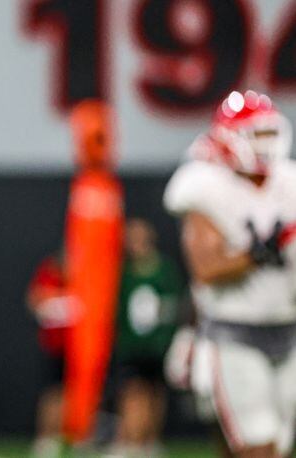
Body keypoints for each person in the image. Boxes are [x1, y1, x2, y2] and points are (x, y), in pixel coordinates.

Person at [164, 90, 296, 458]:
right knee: (257, 445)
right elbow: (206, 269)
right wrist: (258, 253)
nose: (266, 145)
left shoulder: (289, 182)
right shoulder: (203, 185)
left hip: (289, 329)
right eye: (257, 135)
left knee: (279, 447)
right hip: (235, 333)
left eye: (269, 134)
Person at [110, 218, 184, 456]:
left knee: (155, 393)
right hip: (132, 345)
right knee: (133, 392)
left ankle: (149, 441)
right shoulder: (123, 271)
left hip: (159, 344)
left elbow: (175, 305)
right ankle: (131, 441)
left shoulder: (164, 269)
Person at [26, 250, 76, 457]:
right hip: (56, 344)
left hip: (80, 347)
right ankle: (47, 437)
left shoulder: (88, 272)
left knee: (78, 394)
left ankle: (75, 436)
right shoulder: (50, 272)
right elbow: (34, 300)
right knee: (53, 394)